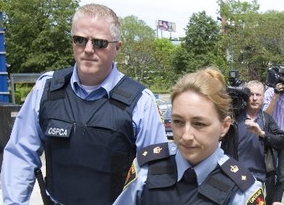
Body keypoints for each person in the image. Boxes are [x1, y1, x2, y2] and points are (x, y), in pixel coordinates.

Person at [1, 3, 168, 205]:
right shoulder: (46, 90)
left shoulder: (142, 102)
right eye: (80, 40)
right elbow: (20, 154)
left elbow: (155, 174)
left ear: (117, 47)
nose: (88, 49)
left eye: (99, 43)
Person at [113, 67, 265, 205]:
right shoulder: (146, 168)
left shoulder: (242, 191)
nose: (186, 136)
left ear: (224, 126)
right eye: (178, 121)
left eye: (199, 124)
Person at [222, 80, 284, 204]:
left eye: (258, 95)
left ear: (263, 97)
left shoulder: (266, 119)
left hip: (258, 181)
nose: (255, 98)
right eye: (251, 94)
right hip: (233, 177)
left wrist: (262, 133)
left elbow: (282, 141)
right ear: (246, 96)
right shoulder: (234, 117)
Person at [263, 81, 284, 204]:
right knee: (270, 171)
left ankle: (275, 201)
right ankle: (269, 199)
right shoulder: (270, 92)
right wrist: (276, 96)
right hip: (272, 137)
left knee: (283, 175)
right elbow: (266, 115)